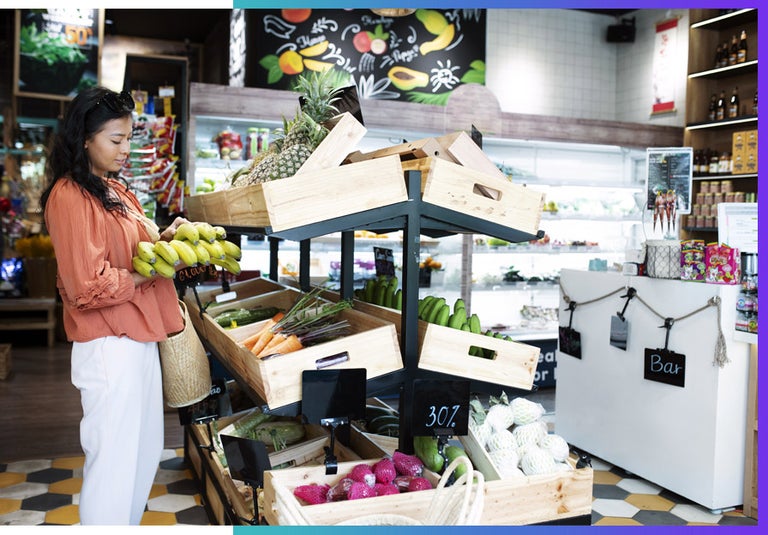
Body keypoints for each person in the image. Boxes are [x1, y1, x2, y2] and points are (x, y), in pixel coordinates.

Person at [40, 86, 189, 525]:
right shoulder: (69, 196)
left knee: (142, 455)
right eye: (115, 140)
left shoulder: (115, 191)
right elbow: (86, 286)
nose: (126, 149)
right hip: (109, 344)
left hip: (138, 337)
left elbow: (129, 256)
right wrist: (153, 273)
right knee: (112, 463)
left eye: (128, 138)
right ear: (85, 138)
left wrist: (165, 242)